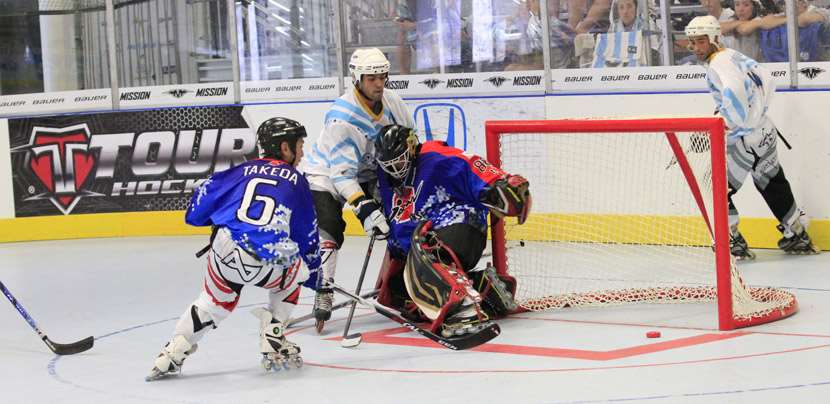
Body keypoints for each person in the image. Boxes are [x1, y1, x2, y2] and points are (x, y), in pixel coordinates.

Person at [146, 118, 321, 381]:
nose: (302, 152)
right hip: (268, 262)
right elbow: (307, 235)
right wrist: (316, 276)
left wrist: (219, 219)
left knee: (212, 303)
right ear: (285, 147)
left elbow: (194, 214)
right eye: (299, 145)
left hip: (226, 252)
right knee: (298, 272)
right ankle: (272, 335)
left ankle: (172, 353)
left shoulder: (237, 172)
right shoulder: (297, 180)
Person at [371, 125, 532, 338]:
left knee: (427, 246)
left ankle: (463, 308)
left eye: (399, 161)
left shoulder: (436, 157)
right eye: (388, 165)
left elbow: (473, 165)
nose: (394, 169)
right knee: (401, 297)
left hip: (460, 227)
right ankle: (484, 287)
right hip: (420, 241)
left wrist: (502, 185)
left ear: (411, 148)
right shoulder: (384, 176)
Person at [300, 47, 416, 333]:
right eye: (371, 78)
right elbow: (342, 175)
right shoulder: (342, 117)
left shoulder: (393, 102)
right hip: (327, 174)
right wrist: (364, 209)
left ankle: (399, 285)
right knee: (329, 227)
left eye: (382, 76)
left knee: (401, 220)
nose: (379, 83)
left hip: (371, 172)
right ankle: (324, 288)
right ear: (357, 78)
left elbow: (411, 140)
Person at [684, 15, 819, 260]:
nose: (695, 47)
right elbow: (766, 80)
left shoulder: (718, 64)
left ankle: (732, 242)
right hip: (764, 130)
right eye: (692, 42)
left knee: (715, 185)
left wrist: (720, 124)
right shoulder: (734, 56)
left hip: (745, 140)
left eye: (701, 41)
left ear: (714, 39)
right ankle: (797, 234)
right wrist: (744, 112)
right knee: (771, 181)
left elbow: (735, 96)